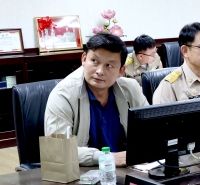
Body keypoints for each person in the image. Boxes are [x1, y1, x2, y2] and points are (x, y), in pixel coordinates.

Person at [44, 33, 148, 167]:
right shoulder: (63, 94)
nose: (99, 71)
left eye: (109, 65)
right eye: (94, 61)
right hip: (82, 171)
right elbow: (57, 149)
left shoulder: (131, 88)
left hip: (127, 169)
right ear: (84, 59)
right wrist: (107, 158)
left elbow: (151, 132)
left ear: (121, 70)